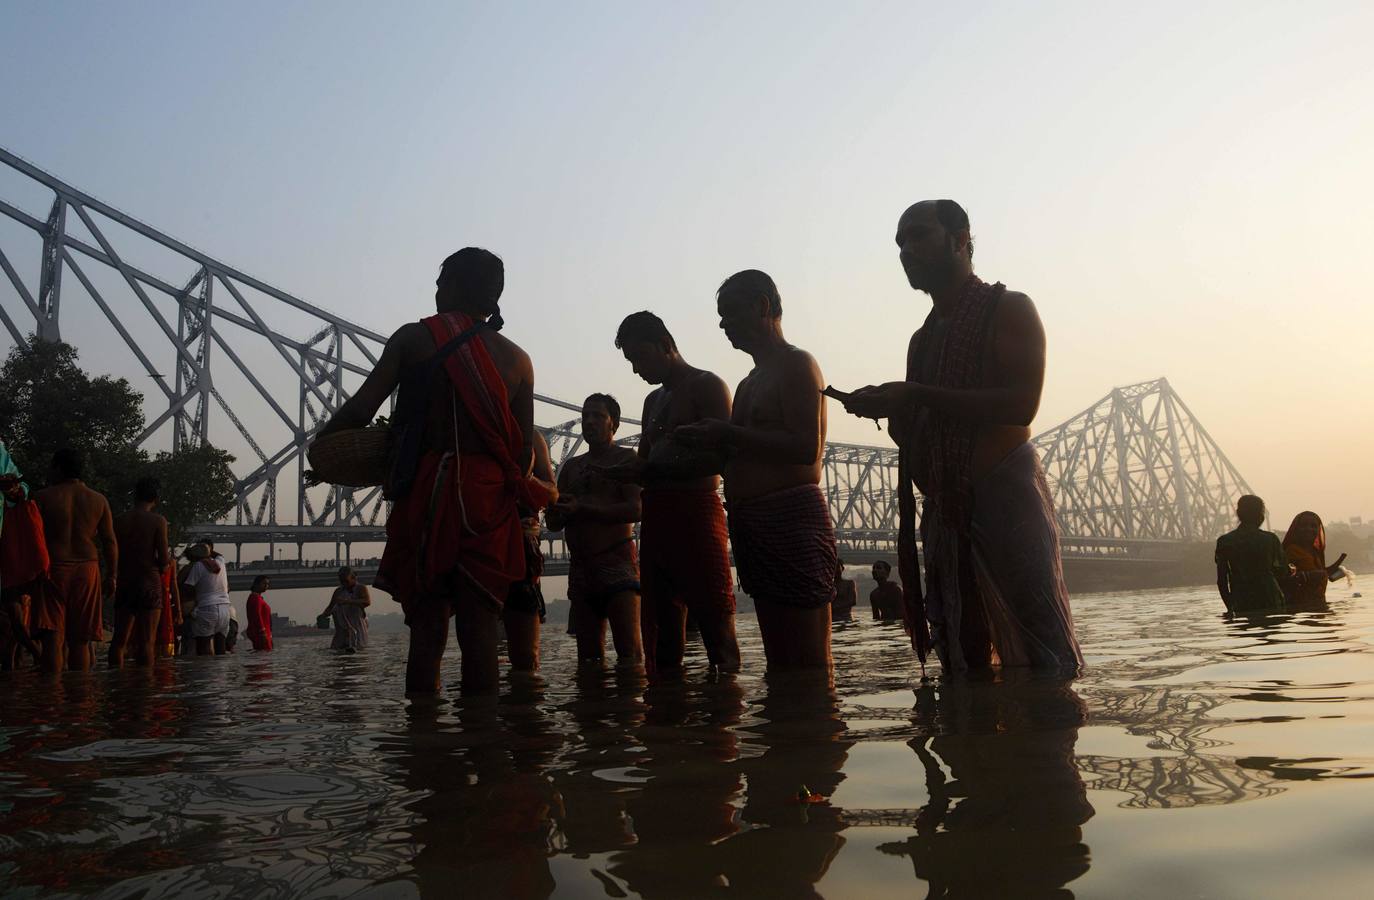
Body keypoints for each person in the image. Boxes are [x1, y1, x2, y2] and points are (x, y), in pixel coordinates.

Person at [841, 200, 1083, 672]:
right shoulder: (922, 339)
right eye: (899, 242)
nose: (906, 250)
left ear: (961, 239)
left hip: (1006, 505)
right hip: (946, 518)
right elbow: (919, 434)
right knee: (962, 663)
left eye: (918, 235)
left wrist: (915, 394)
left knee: (1043, 659)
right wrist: (892, 410)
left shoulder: (1009, 308)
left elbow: (1020, 404)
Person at [316, 247, 553, 695]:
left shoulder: (414, 338)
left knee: (427, 633)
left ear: (456, 288)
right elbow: (522, 454)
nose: (436, 292)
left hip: (430, 493)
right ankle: (482, 737)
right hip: (487, 503)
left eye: (441, 282)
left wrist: (323, 447)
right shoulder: (519, 360)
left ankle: (423, 748)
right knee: (481, 630)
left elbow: (363, 408)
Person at [675, 270, 837, 671]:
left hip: (791, 522)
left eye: (729, 313)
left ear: (763, 306)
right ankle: (790, 733)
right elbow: (741, 452)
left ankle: (814, 732)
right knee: (780, 663)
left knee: (809, 664)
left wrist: (726, 432)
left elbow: (806, 448)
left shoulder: (797, 364)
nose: (722, 324)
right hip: (753, 527)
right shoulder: (748, 383)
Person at [608, 311, 739, 677]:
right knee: (662, 635)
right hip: (657, 519)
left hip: (697, 515)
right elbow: (645, 464)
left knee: (717, 625)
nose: (636, 369)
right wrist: (625, 472)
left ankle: (724, 722)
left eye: (641, 357)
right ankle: (666, 721)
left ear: (666, 346)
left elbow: (724, 458)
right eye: (631, 361)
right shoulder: (652, 402)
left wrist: (652, 470)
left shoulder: (708, 386)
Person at [546, 393, 644, 667]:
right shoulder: (571, 468)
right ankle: (594, 709)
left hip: (617, 564)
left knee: (630, 656)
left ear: (614, 423)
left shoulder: (626, 460)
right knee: (588, 660)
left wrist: (583, 507)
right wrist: (553, 511)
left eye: (598, 416)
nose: (589, 421)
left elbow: (636, 510)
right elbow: (554, 525)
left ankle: (630, 708)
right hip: (581, 572)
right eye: (585, 416)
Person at [34, 449, 118, 672]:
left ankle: (51, 700)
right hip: (87, 569)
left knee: (53, 636)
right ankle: (80, 700)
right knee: (80, 639)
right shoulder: (98, 500)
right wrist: (112, 576)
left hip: (54, 568)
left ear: (59, 468)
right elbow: (109, 541)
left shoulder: (42, 497)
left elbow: (32, 538)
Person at [504, 432, 559, 672]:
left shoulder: (533, 437)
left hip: (521, 553)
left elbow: (552, 492)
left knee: (526, 659)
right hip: (473, 543)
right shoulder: (461, 425)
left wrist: (527, 480)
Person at [108, 477, 170, 668]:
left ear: (135, 496)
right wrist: (164, 567)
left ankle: (115, 684)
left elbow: (111, 550)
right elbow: (164, 559)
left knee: (119, 640)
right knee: (146, 642)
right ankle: (145, 689)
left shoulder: (119, 520)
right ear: (156, 498)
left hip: (126, 580)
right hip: (148, 582)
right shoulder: (158, 521)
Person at [1215, 495, 1288, 614]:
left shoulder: (1225, 541)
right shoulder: (1270, 539)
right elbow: (1283, 571)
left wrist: (1230, 607)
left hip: (1241, 600)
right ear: (1261, 515)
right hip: (1271, 598)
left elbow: (1222, 581)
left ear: (1238, 513)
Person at [1281, 511, 1347, 610]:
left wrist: (1332, 570)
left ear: (1318, 529)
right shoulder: (1291, 551)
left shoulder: (1316, 552)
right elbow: (1282, 580)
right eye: (1304, 525)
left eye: (1313, 526)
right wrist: (1307, 576)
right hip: (1299, 609)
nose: (1309, 529)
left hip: (1318, 606)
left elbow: (1318, 574)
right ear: (1296, 529)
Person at [182, 542, 231, 654]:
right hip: (225, 609)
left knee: (203, 648)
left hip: (207, 609)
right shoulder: (220, 562)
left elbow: (187, 587)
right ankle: (221, 671)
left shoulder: (198, 566)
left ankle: (204, 670)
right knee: (220, 648)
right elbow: (220, 555)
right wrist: (207, 549)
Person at [321, 566, 370, 652]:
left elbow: (367, 602)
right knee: (337, 652)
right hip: (341, 629)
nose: (344, 583)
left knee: (357, 651)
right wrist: (322, 616)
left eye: (346, 581)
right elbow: (330, 607)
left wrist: (347, 601)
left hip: (357, 627)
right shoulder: (338, 591)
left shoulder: (361, 588)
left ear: (353, 578)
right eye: (341, 581)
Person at [245, 576, 274, 651]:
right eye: (264, 583)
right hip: (260, 633)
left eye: (267, 584)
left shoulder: (258, 598)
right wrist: (262, 631)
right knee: (263, 656)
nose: (266, 586)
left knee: (265, 655)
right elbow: (257, 615)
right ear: (256, 584)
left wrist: (270, 634)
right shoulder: (255, 598)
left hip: (264, 632)